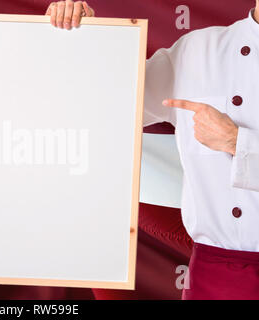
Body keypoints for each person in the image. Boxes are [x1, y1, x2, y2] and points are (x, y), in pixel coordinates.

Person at [46, 0, 259, 299]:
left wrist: (238, 143)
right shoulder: (196, 50)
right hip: (210, 279)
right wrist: (86, 36)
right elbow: (111, 105)